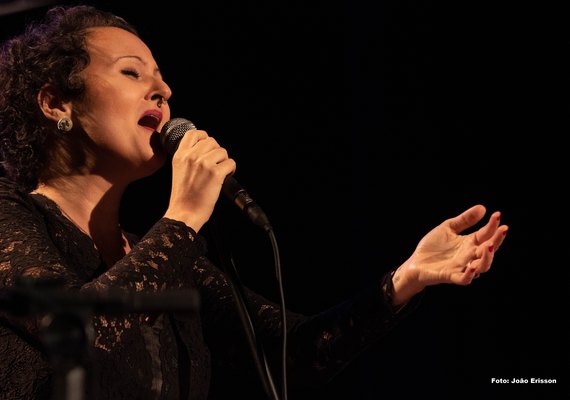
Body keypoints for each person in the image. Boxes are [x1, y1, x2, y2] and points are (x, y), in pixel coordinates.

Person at [0, 5, 508, 400]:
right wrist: (183, 218)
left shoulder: (167, 257)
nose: (163, 88)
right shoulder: (10, 215)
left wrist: (405, 280)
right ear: (55, 103)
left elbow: (295, 354)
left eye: (160, 76)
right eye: (132, 73)